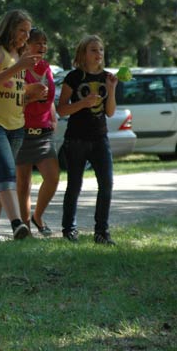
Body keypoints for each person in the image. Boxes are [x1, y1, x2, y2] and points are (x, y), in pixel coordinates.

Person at [0, 9, 47, 242]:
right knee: (7, 171)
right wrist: (19, 67)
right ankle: (17, 225)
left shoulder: (18, 55)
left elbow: (13, 91)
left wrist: (31, 94)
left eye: (28, 31)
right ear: (10, 28)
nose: (26, 36)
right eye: (22, 30)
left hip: (15, 124)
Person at [57, 35, 118, 245]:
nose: (98, 53)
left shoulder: (108, 77)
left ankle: (102, 232)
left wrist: (111, 89)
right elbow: (61, 108)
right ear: (83, 54)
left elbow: (110, 113)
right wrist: (83, 103)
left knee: (107, 184)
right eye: (93, 49)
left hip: (100, 138)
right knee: (74, 185)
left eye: (100, 49)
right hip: (76, 139)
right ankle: (69, 230)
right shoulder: (73, 77)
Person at [15, 28, 60, 237]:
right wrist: (31, 97)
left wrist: (52, 114)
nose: (42, 47)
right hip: (21, 130)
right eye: (37, 43)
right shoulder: (18, 69)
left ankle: (38, 215)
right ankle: (26, 229)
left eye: (44, 43)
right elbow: (12, 102)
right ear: (25, 45)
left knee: (52, 178)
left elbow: (49, 94)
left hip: (43, 131)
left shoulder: (45, 67)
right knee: (23, 183)